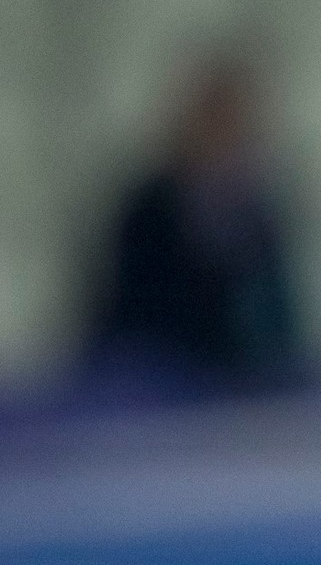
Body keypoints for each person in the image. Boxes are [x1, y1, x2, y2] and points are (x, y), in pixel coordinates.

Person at [81, 45, 306, 397]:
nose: (223, 133)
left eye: (233, 120)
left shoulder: (261, 214)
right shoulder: (147, 207)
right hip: (149, 389)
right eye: (213, 118)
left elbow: (282, 324)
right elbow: (127, 317)